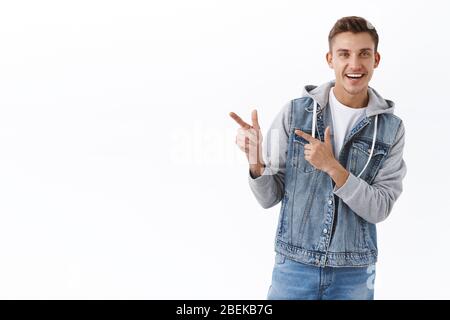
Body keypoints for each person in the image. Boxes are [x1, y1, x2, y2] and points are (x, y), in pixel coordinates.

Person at [229, 16, 407, 300]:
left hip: (355, 271)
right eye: (344, 54)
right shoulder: (295, 113)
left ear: (376, 59)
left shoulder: (390, 129)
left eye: (364, 54)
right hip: (294, 266)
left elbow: (380, 208)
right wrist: (255, 162)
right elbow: (269, 197)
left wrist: (333, 168)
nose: (355, 64)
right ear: (330, 59)